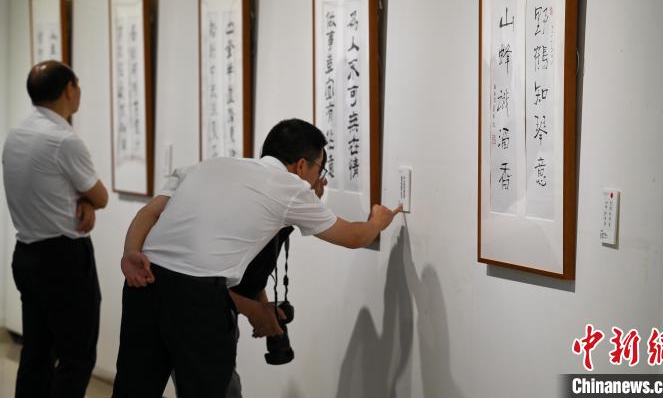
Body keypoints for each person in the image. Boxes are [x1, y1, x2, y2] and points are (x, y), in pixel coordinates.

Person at [112, 118, 401, 398]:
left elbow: (149, 212)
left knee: (134, 388)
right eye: (320, 168)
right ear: (302, 165)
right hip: (198, 301)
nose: (318, 179)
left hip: (143, 283)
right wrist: (378, 221)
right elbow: (353, 237)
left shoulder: (205, 166)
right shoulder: (290, 187)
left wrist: (130, 253)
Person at [2, 61, 109, 398]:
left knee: (36, 352)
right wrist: (89, 201)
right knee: (76, 356)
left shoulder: (16, 135)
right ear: (69, 90)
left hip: (27, 255)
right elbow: (101, 196)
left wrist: (84, 201)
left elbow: (55, 190)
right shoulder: (63, 140)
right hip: (63, 258)